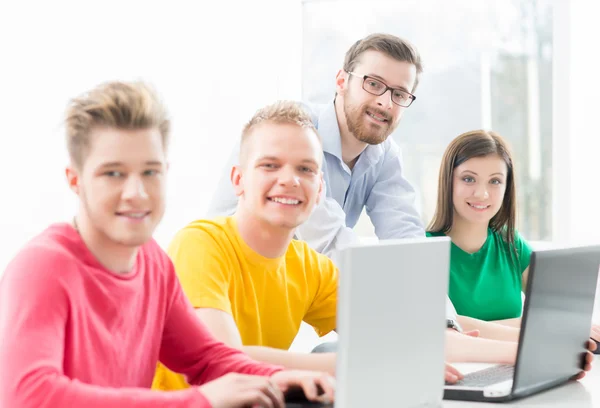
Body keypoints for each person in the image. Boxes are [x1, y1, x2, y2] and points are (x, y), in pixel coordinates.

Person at [0, 82, 335, 408]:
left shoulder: (153, 264)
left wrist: (278, 377)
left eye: (150, 172)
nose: (137, 192)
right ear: (75, 180)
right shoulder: (42, 268)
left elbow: (206, 359)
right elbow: (29, 397)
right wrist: (200, 401)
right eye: (113, 173)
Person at [152, 101, 465, 391]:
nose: (290, 180)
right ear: (238, 180)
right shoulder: (200, 243)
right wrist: (355, 364)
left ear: (320, 191)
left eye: (306, 169)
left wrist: (503, 351)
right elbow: (224, 360)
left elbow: (392, 336)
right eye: (270, 165)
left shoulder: (310, 266)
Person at [427, 129, 600, 345]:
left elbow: (553, 314)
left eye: (495, 181)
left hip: (512, 367)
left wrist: (572, 327)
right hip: (457, 373)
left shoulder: (510, 242)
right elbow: (447, 326)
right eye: (469, 179)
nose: (482, 194)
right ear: (448, 181)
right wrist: (533, 328)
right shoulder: (423, 249)